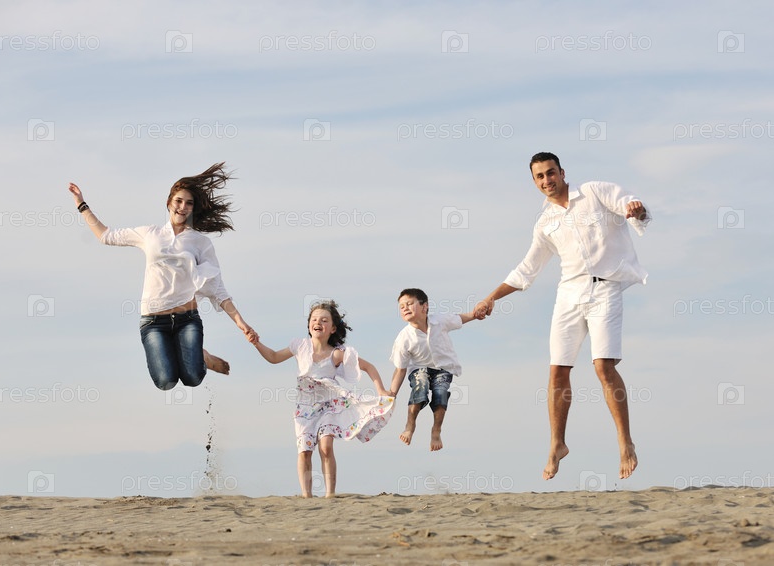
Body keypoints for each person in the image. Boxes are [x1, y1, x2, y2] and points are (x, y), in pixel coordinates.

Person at [475, 151, 651, 481]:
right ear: (534, 182)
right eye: (540, 176)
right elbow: (527, 269)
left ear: (562, 172)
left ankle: (625, 442)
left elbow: (630, 203)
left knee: (603, 366)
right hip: (568, 294)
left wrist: (637, 211)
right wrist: (491, 298)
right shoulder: (545, 223)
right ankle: (558, 444)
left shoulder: (594, 192)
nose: (547, 180)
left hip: (605, 289)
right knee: (557, 371)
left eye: (551, 172)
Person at [68, 163, 258, 391]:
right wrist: (81, 205)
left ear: (193, 208)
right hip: (153, 322)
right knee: (165, 381)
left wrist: (241, 323)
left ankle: (202, 357)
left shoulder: (200, 243)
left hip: (187, 319)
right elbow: (106, 236)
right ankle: (193, 354)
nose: (183, 207)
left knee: (193, 378)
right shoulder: (150, 234)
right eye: (179, 201)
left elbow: (218, 290)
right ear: (169, 202)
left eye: (189, 203)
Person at [251, 300, 394, 498]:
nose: (318, 322)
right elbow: (274, 357)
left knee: (326, 447)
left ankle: (329, 495)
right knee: (305, 451)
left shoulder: (337, 354)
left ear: (333, 328)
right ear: (309, 325)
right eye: (314, 319)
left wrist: (381, 389)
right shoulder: (299, 346)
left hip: (329, 406)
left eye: (324, 320)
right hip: (304, 407)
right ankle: (306, 496)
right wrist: (256, 343)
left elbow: (369, 367)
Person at [389, 288, 479, 452]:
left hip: (443, 368)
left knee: (440, 393)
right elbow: (400, 370)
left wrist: (475, 314)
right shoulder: (404, 338)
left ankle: (436, 430)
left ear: (425, 306)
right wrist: (392, 394)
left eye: (409, 304)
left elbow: (459, 318)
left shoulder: (440, 321)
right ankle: (410, 425)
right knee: (421, 384)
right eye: (401, 307)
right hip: (419, 368)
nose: (405, 308)